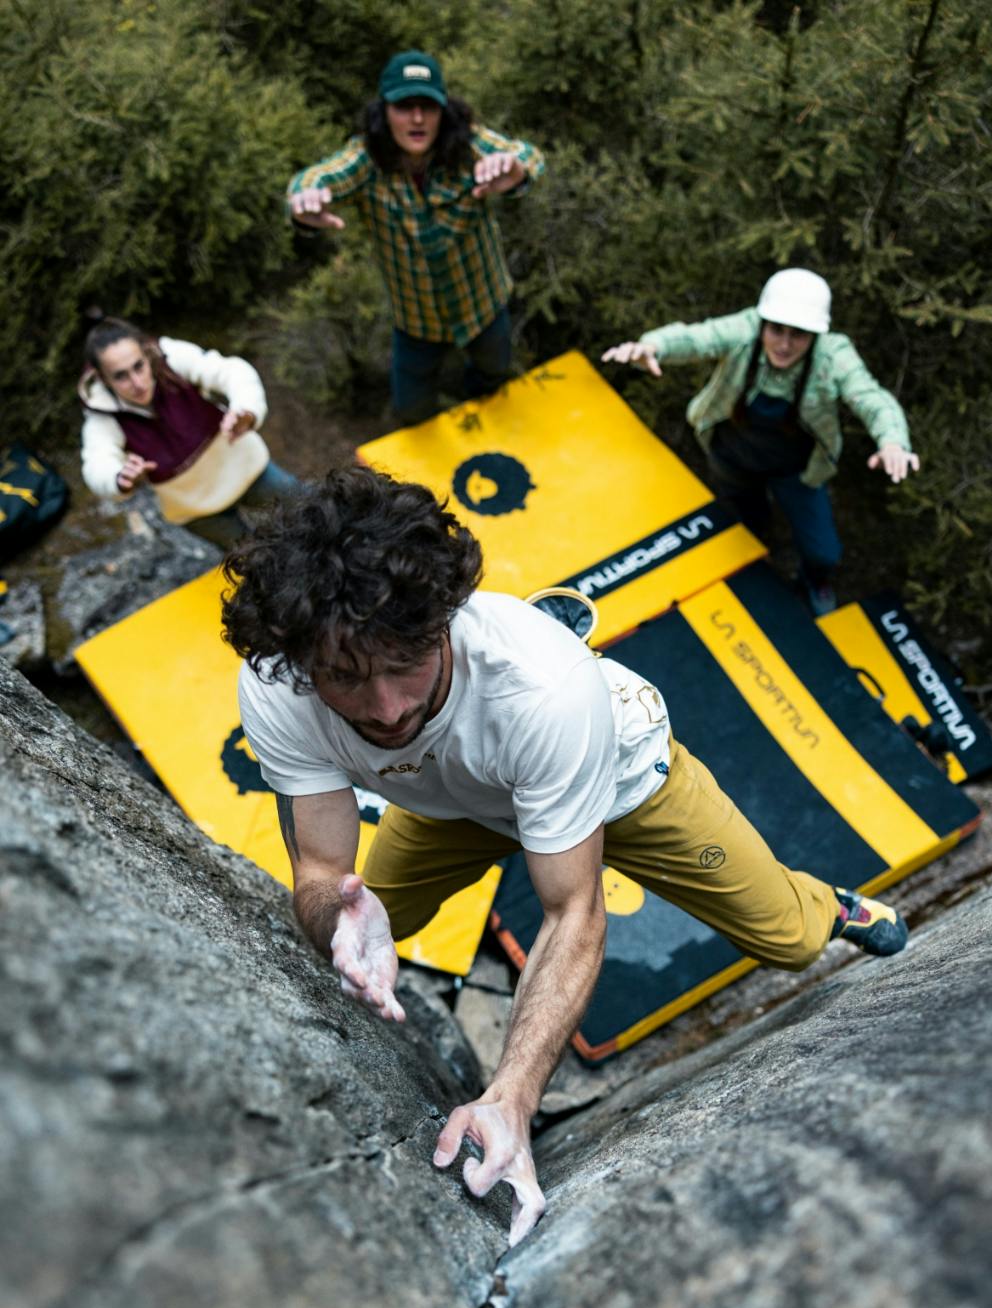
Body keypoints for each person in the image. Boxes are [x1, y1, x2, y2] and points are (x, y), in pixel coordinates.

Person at [222, 467, 910, 1249]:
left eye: (404, 663)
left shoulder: (544, 689)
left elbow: (571, 911)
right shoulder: (279, 683)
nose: (388, 709)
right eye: (346, 678)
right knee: (364, 927)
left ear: (445, 618)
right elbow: (318, 870)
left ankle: (832, 905)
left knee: (788, 940)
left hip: (616, 779)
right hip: (458, 802)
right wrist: (331, 915)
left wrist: (510, 1099)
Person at [602, 269, 920, 615]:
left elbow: (870, 397)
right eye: (777, 330)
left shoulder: (833, 356)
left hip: (797, 471)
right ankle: (754, 557)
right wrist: (653, 346)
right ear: (764, 322)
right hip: (734, 457)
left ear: (815, 334)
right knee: (746, 522)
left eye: (798, 335)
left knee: (823, 552)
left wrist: (892, 442)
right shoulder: (746, 329)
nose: (784, 344)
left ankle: (814, 581)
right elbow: (698, 338)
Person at [286, 50, 544, 425]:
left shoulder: (466, 145)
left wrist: (515, 169)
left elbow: (524, 154)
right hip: (416, 319)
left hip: (484, 305)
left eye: (428, 106)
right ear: (385, 110)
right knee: (411, 410)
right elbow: (318, 177)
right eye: (405, 106)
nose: (418, 119)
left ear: (444, 110)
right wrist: (304, 199)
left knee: (493, 378)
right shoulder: (367, 159)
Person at [79, 316, 300, 547]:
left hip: (247, 471)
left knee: (313, 512)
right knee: (256, 561)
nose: (137, 382)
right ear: (102, 377)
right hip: (197, 510)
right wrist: (119, 478)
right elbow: (97, 464)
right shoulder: (102, 416)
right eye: (120, 376)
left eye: (138, 366)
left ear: (146, 354)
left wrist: (246, 410)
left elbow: (230, 372)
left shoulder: (172, 360)